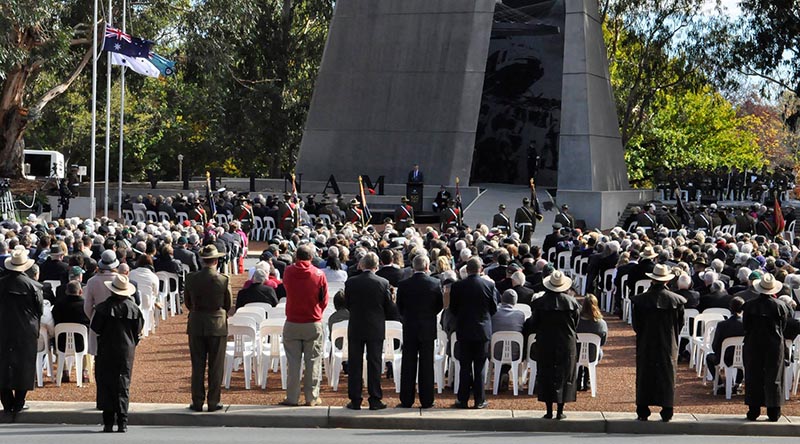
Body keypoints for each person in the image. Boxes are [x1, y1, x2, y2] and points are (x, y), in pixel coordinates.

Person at [631, 264, 686, 422]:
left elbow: (637, 325)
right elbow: (679, 324)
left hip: (646, 341)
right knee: (667, 375)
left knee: (645, 375)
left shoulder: (640, 301)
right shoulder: (676, 301)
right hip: (668, 342)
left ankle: (643, 409)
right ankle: (667, 409)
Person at [345, 252, 398, 410]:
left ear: (361, 265)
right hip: (375, 327)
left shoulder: (351, 282)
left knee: (355, 363)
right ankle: (375, 398)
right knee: (374, 363)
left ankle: (355, 399)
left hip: (356, 326)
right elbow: (390, 308)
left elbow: (347, 304)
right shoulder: (383, 283)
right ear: (377, 266)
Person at [91, 274, 143, 432]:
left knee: (106, 383)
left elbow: (96, 328)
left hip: (106, 348)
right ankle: (122, 422)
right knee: (123, 383)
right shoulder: (134, 308)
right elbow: (138, 330)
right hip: (126, 349)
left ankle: (108, 422)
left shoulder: (102, 308)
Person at [185, 245, 231, 413]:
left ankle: (197, 401)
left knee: (197, 365)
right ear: (216, 261)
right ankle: (213, 401)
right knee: (216, 366)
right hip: (217, 324)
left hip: (197, 322)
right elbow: (227, 304)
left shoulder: (191, 278)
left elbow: (188, 303)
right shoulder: (223, 279)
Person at [281, 245, 328, 407]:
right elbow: (324, 300)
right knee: (313, 362)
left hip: (293, 321)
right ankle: (312, 397)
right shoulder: (319, 274)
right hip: (312, 322)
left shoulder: (288, 271)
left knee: (293, 363)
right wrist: (316, 312)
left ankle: (292, 397)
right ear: (311, 257)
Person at [528, 270, 580, 419]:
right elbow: (576, 323)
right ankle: (560, 410)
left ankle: (549, 410)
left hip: (546, 341)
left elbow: (534, 323)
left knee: (546, 374)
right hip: (566, 342)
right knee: (564, 375)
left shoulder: (539, 303)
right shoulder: (572, 302)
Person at [448, 257, 498, 409]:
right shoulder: (489, 285)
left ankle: (462, 399)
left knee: (464, 366)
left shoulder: (458, 286)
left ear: (467, 270)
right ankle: (479, 400)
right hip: (482, 330)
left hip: (464, 329)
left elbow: (453, 309)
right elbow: (493, 308)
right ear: (480, 269)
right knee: (479, 367)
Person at [396, 255, 443, 408]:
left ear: (413, 267)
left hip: (410, 326)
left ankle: (406, 399)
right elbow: (439, 305)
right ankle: (427, 400)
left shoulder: (404, 285)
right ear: (427, 266)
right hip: (427, 327)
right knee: (426, 365)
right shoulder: (435, 283)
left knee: (408, 364)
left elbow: (400, 307)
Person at [742, 273, 791, 421]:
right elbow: (783, 326)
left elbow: (746, 326)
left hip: (754, 343)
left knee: (753, 375)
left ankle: (754, 410)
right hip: (774, 344)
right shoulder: (781, 306)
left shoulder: (749, 305)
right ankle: (773, 410)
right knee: (774, 376)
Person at [0, 248, 43, 415]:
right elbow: (39, 309)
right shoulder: (34, 286)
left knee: (2, 363)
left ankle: (7, 401)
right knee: (24, 365)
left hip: (3, 327)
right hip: (27, 329)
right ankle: (19, 401)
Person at [52, 280, 91, 383]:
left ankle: (64, 370)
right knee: (89, 336)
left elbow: (54, 320)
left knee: (55, 337)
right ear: (81, 291)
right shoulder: (86, 305)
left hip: (61, 343)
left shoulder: (59, 305)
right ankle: (84, 371)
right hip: (82, 343)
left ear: (66, 291)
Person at [705, 296, 745, 392]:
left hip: (724, 358)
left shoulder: (722, 325)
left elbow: (715, 345)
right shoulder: (747, 324)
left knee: (709, 357)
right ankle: (737, 383)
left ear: (730, 309)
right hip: (744, 358)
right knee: (741, 352)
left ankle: (719, 384)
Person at [576, 294, 608, 391]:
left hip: (576, 354)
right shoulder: (601, 323)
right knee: (594, 350)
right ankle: (587, 379)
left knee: (580, 351)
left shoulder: (576, 321)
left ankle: (578, 379)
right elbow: (602, 342)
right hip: (593, 354)